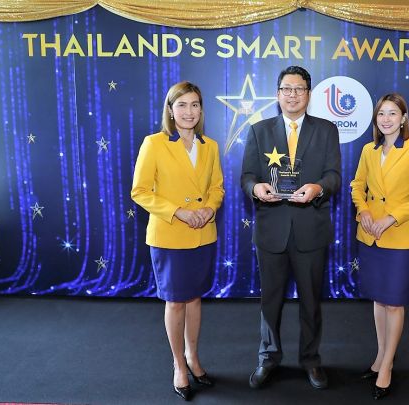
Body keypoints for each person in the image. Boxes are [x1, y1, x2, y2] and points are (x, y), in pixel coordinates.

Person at [241, 66, 342, 390]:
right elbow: (247, 176)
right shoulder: (259, 130)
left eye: (299, 89)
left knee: (311, 302)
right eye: (287, 88)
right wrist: (256, 188)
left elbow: (334, 175)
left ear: (308, 94)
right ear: (277, 93)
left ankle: (311, 360)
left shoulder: (326, 130)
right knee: (269, 301)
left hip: (311, 229)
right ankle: (268, 357)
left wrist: (318, 188)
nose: (292, 94)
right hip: (271, 231)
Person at [131, 81, 224, 402]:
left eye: (195, 104)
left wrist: (209, 209)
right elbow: (140, 191)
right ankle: (178, 365)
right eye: (182, 105)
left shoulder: (210, 146)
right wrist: (179, 212)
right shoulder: (154, 143)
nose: (189, 111)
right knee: (175, 302)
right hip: (170, 235)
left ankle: (193, 357)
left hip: (202, 234)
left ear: (201, 110)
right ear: (170, 110)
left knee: (195, 299)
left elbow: (217, 187)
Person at [350, 93, 409, 400]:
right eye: (381, 114)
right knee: (379, 299)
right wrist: (363, 211)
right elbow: (357, 186)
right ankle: (379, 356)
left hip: (399, 237)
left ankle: (386, 366)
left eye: (392, 113)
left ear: (403, 119)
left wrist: (392, 217)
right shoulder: (368, 150)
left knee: (394, 303)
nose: (386, 119)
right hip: (370, 235)